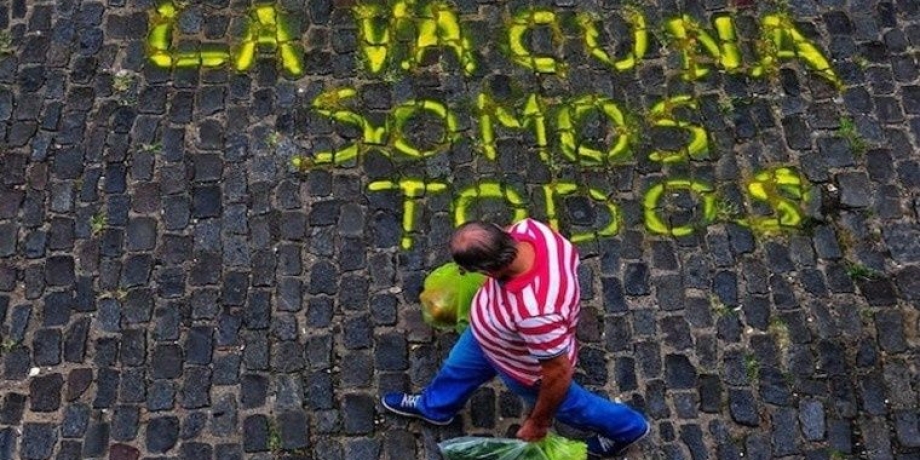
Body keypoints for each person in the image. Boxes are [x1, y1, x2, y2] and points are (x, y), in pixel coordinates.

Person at [381, 218, 650, 458]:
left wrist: (538, 422)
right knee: (457, 369)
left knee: (573, 406)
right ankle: (435, 407)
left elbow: (557, 373)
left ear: (490, 271)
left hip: (521, 367)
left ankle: (627, 429)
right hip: (487, 338)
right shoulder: (531, 229)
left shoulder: (537, 313)